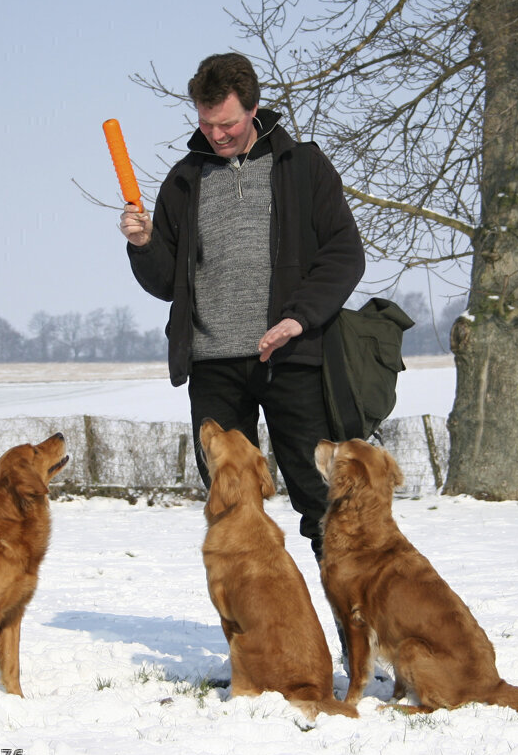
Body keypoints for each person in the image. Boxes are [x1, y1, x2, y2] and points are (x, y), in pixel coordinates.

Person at [119, 52, 364, 559]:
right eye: (206, 123)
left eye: (226, 123)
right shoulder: (184, 181)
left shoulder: (304, 167)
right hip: (213, 367)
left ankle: (353, 636)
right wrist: (144, 244)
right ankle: (258, 636)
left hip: (293, 359)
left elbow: (344, 255)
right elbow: (167, 283)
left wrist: (298, 319)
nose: (217, 134)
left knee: (325, 508)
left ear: (253, 109)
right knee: (231, 510)